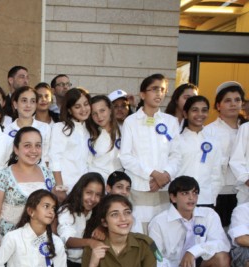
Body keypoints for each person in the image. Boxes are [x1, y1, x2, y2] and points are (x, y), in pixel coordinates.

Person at [148, 176, 231, 267]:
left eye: (195, 193)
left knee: (222, 259)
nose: (191, 198)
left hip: (195, 265)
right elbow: (156, 254)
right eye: (185, 193)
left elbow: (222, 243)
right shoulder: (159, 221)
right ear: (173, 197)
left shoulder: (209, 215)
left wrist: (194, 251)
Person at [120, 74, 181, 231]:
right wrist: (153, 174)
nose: (159, 93)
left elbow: (176, 154)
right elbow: (125, 157)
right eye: (154, 89)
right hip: (140, 186)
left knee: (163, 230)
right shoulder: (131, 121)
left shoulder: (171, 121)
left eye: (162, 89)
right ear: (142, 94)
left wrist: (165, 175)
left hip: (164, 187)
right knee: (141, 232)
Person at [0, 126, 55, 239]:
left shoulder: (47, 174)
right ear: (16, 149)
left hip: (40, 240)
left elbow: (53, 211)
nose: (33, 150)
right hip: (9, 242)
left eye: (38, 145)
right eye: (27, 145)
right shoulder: (2, 176)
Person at [56, 172, 104, 267]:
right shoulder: (67, 211)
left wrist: (101, 227)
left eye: (98, 195)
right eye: (89, 193)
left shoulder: (98, 212)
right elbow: (68, 240)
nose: (93, 199)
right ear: (80, 191)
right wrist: (89, 242)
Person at [205, 81, 246, 226]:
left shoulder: (246, 129)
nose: (233, 104)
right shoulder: (208, 131)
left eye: (237, 100)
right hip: (220, 192)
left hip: (244, 192)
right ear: (218, 105)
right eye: (228, 100)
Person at [174, 96, 223, 207]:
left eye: (204, 110)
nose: (200, 114)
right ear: (185, 114)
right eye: (195, 110)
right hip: (181, 200)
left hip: (206, 200)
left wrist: (212, 197)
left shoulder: (214, 142)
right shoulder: (177, 140)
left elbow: (216, 174)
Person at [49, 88, 92, 200]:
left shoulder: (89, 129)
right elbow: (55, 158)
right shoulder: (60, 128)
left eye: (86, 104)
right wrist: (60, 187)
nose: (83, 109)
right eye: (77, 107)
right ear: (69, 110)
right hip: (67, 187)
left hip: (85, 188)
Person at [5, 86, 52, 164]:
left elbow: (46, 158)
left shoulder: (45, 128)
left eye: (32, 101)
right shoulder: (6, 130)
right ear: (15, 104)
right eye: (24, 101)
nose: (28, 105)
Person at [86, 94, 122, 182]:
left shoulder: (123, 130)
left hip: (119, 182)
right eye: (94, 113)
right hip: (97, 182)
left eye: (102, 111)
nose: (99, 116)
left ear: (110, 110)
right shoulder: (88, 134)